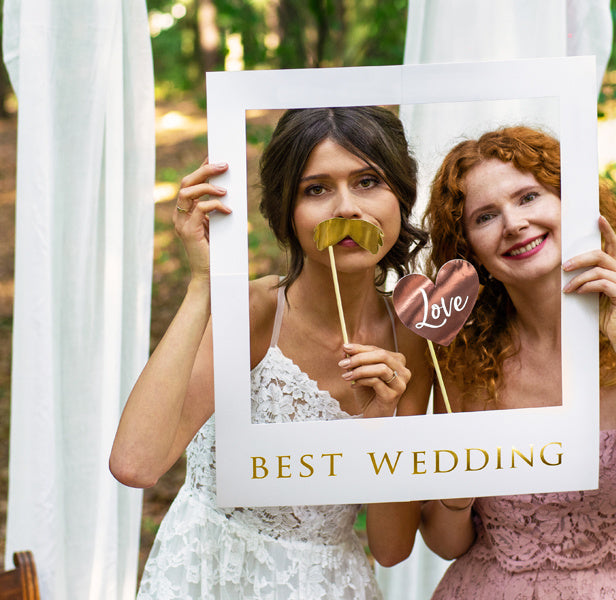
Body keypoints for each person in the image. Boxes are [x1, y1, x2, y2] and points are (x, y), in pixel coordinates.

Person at [109, 106, 431, 599]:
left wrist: (383, 423)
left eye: (368, 181)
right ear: (287, 211)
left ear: (400, 196)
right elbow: (136, 465)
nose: (347, 208)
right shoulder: (256, 312)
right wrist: (203, 286)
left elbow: (390, 549)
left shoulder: (412, 336)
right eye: (316, 189)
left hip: (326, 583)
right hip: (212, 573)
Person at [419, 126, 616, 599]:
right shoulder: (462, 358)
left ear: (570, 202)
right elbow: (445, 542)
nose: (513, 223)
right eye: (486, 216)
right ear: (467, 247)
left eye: (529, 197)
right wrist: (455, 487)